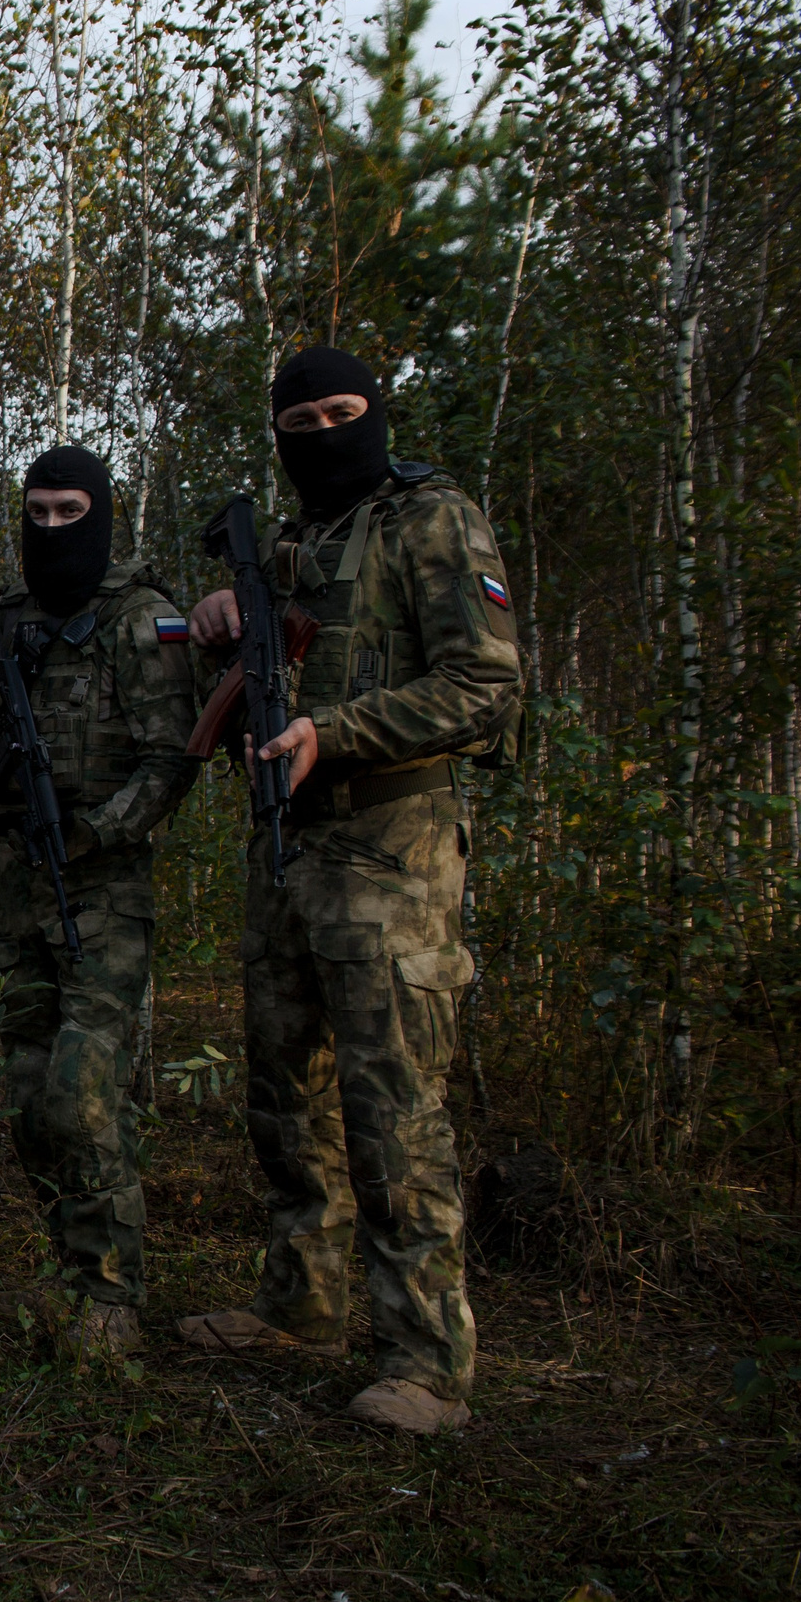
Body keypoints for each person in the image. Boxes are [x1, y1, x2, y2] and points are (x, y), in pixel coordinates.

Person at [179, 345, 520, 1435]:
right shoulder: (293, 543)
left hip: (392, 852)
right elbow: (271, 668)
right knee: (286, 1095)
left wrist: (339, 732)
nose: (324, 435)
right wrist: (222, 618)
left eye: (343, 412)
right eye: (301, 422)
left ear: (377, 413)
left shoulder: (433, 520)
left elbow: (485, 686)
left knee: (393, 1110)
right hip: (289, 849)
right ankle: (300, 1304)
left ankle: (425, 1359)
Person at [0, 446, 198, 1350]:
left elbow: (173, 760)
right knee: (26, 1098)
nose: (51, 528)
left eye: (70, 513)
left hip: (100, 890)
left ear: (102, 515)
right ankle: (69, 1268)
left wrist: (96, 831)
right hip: (15, 889)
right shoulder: (3, 617)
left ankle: (111, 1295)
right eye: (38, 512)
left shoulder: (141, 618)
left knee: (81, 1095)